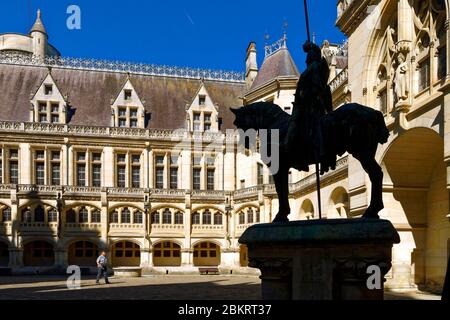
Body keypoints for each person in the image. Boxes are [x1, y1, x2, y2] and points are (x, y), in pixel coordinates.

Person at [284, 40, 332, 172]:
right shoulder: (317, 67)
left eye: (307, 58)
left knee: (294, 125)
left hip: (309, 106)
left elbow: (316, 87)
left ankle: (293, 153)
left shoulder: (312, 69)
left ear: (310, 58)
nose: (305, 61)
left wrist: (305, 96)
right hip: (312, 104)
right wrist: (311, 46)